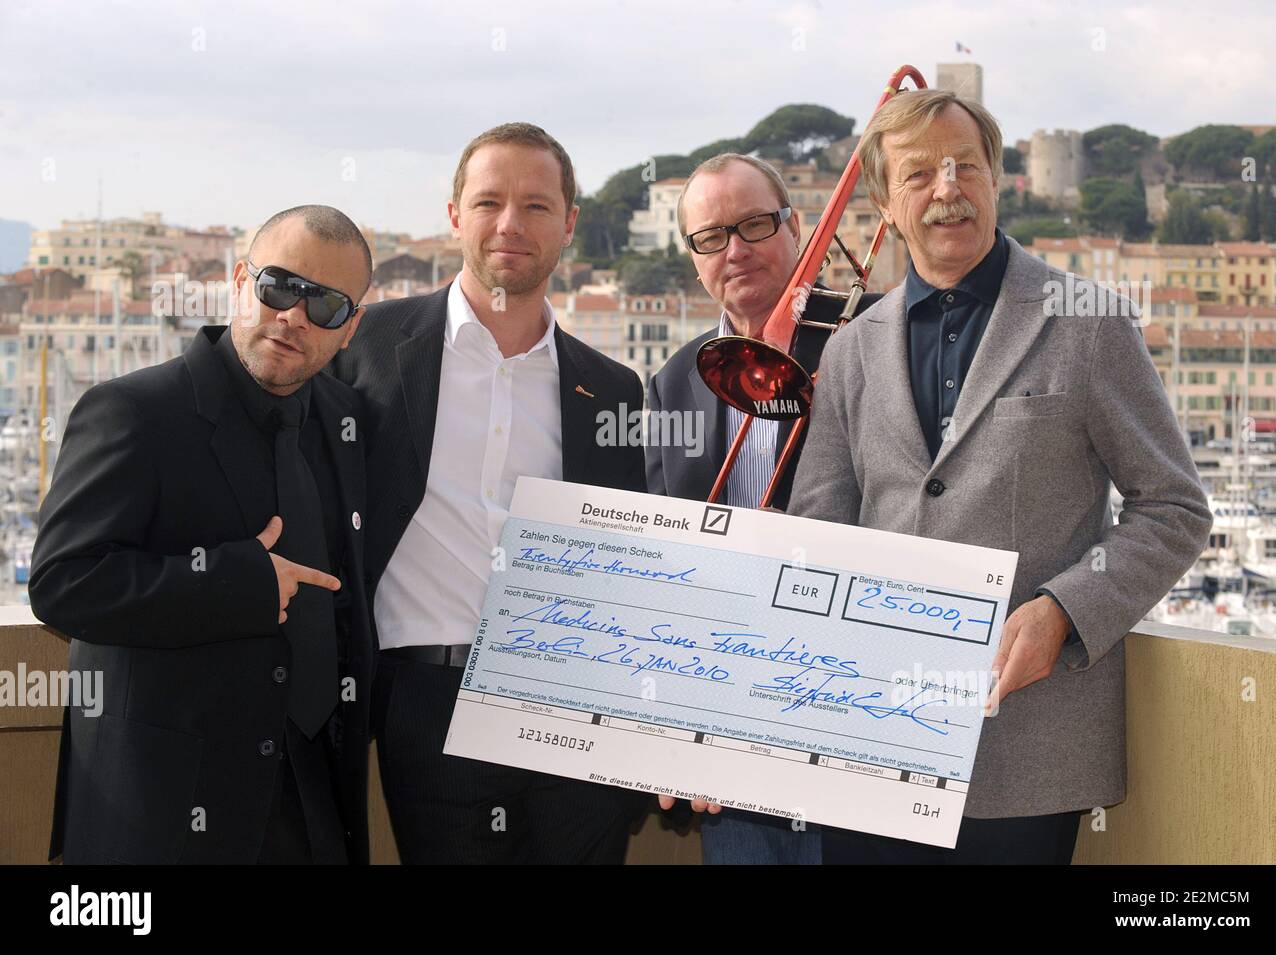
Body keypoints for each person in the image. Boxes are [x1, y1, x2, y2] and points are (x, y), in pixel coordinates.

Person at [786, 89, 1212, 864]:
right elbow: (817, 538)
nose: (946, 188)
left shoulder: (1089, 322)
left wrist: (1065, 610)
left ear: (996, 179)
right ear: (884, 200)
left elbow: (1174, 506)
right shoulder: (848, 352)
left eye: (965, 167)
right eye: (919, 175)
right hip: (866, 747)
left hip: (1028, 750)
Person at [332, 122, 647, 864]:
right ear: (454, 214)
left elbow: (632, 562)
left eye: (537, 206)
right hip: (425, 705)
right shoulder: (365, 346)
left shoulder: (610, 388)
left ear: (570, 223)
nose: (510, 224)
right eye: (489, 201)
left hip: (574, 710)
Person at [30, 205, 377, 864]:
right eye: (280, 286)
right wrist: (239, 582)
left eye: (326, 305)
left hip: (315, 805)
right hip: (164, 813)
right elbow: (61, 583)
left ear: (350, 326)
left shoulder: (343, 419)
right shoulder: (134, 411)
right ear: (240, 281)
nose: (294, 315)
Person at [646, 153, 879, 864]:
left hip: (853, 716)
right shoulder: (674, 381)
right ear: (693, 257)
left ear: (798, 226)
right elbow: (663, 566)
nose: (736, 250)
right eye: (711, 236)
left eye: (753, 224)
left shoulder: (873, 339)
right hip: (732, 731)